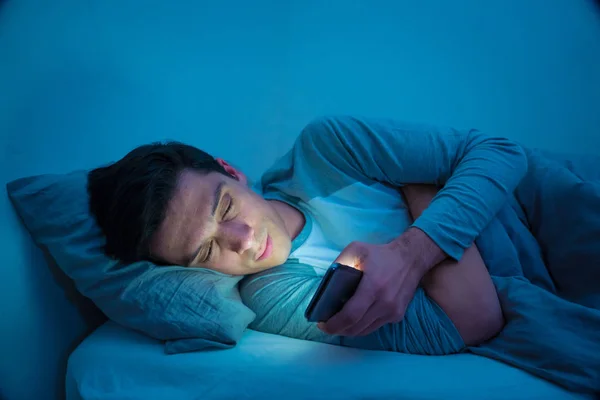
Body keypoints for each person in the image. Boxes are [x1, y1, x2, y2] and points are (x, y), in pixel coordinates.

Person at [87, 115, 525, 355]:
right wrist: (424, 185)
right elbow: (473, 320)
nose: (240, 240)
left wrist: (412, 254)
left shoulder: (326, 150)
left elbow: (501, 152)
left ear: (232, 172)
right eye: (206, 250)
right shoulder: (273, 297)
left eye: (225, 207)